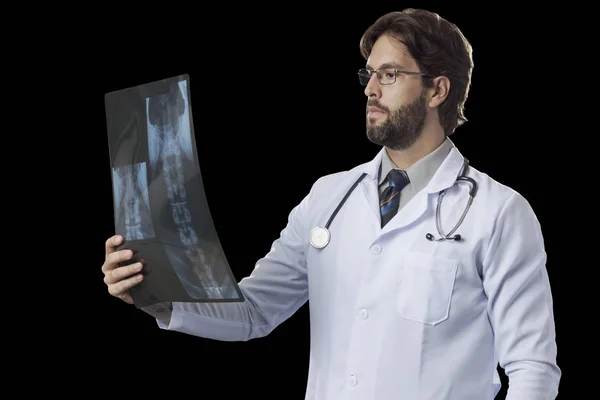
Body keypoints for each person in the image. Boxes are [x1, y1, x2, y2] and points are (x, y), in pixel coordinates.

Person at [102, 8, 561, 399]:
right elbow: (253, 311)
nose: (370, 89)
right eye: (370, 74)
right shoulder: (329, 197)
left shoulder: (499, 213)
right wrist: (156, 295)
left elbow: (532, 368)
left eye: (390, 74)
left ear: (437, 90)